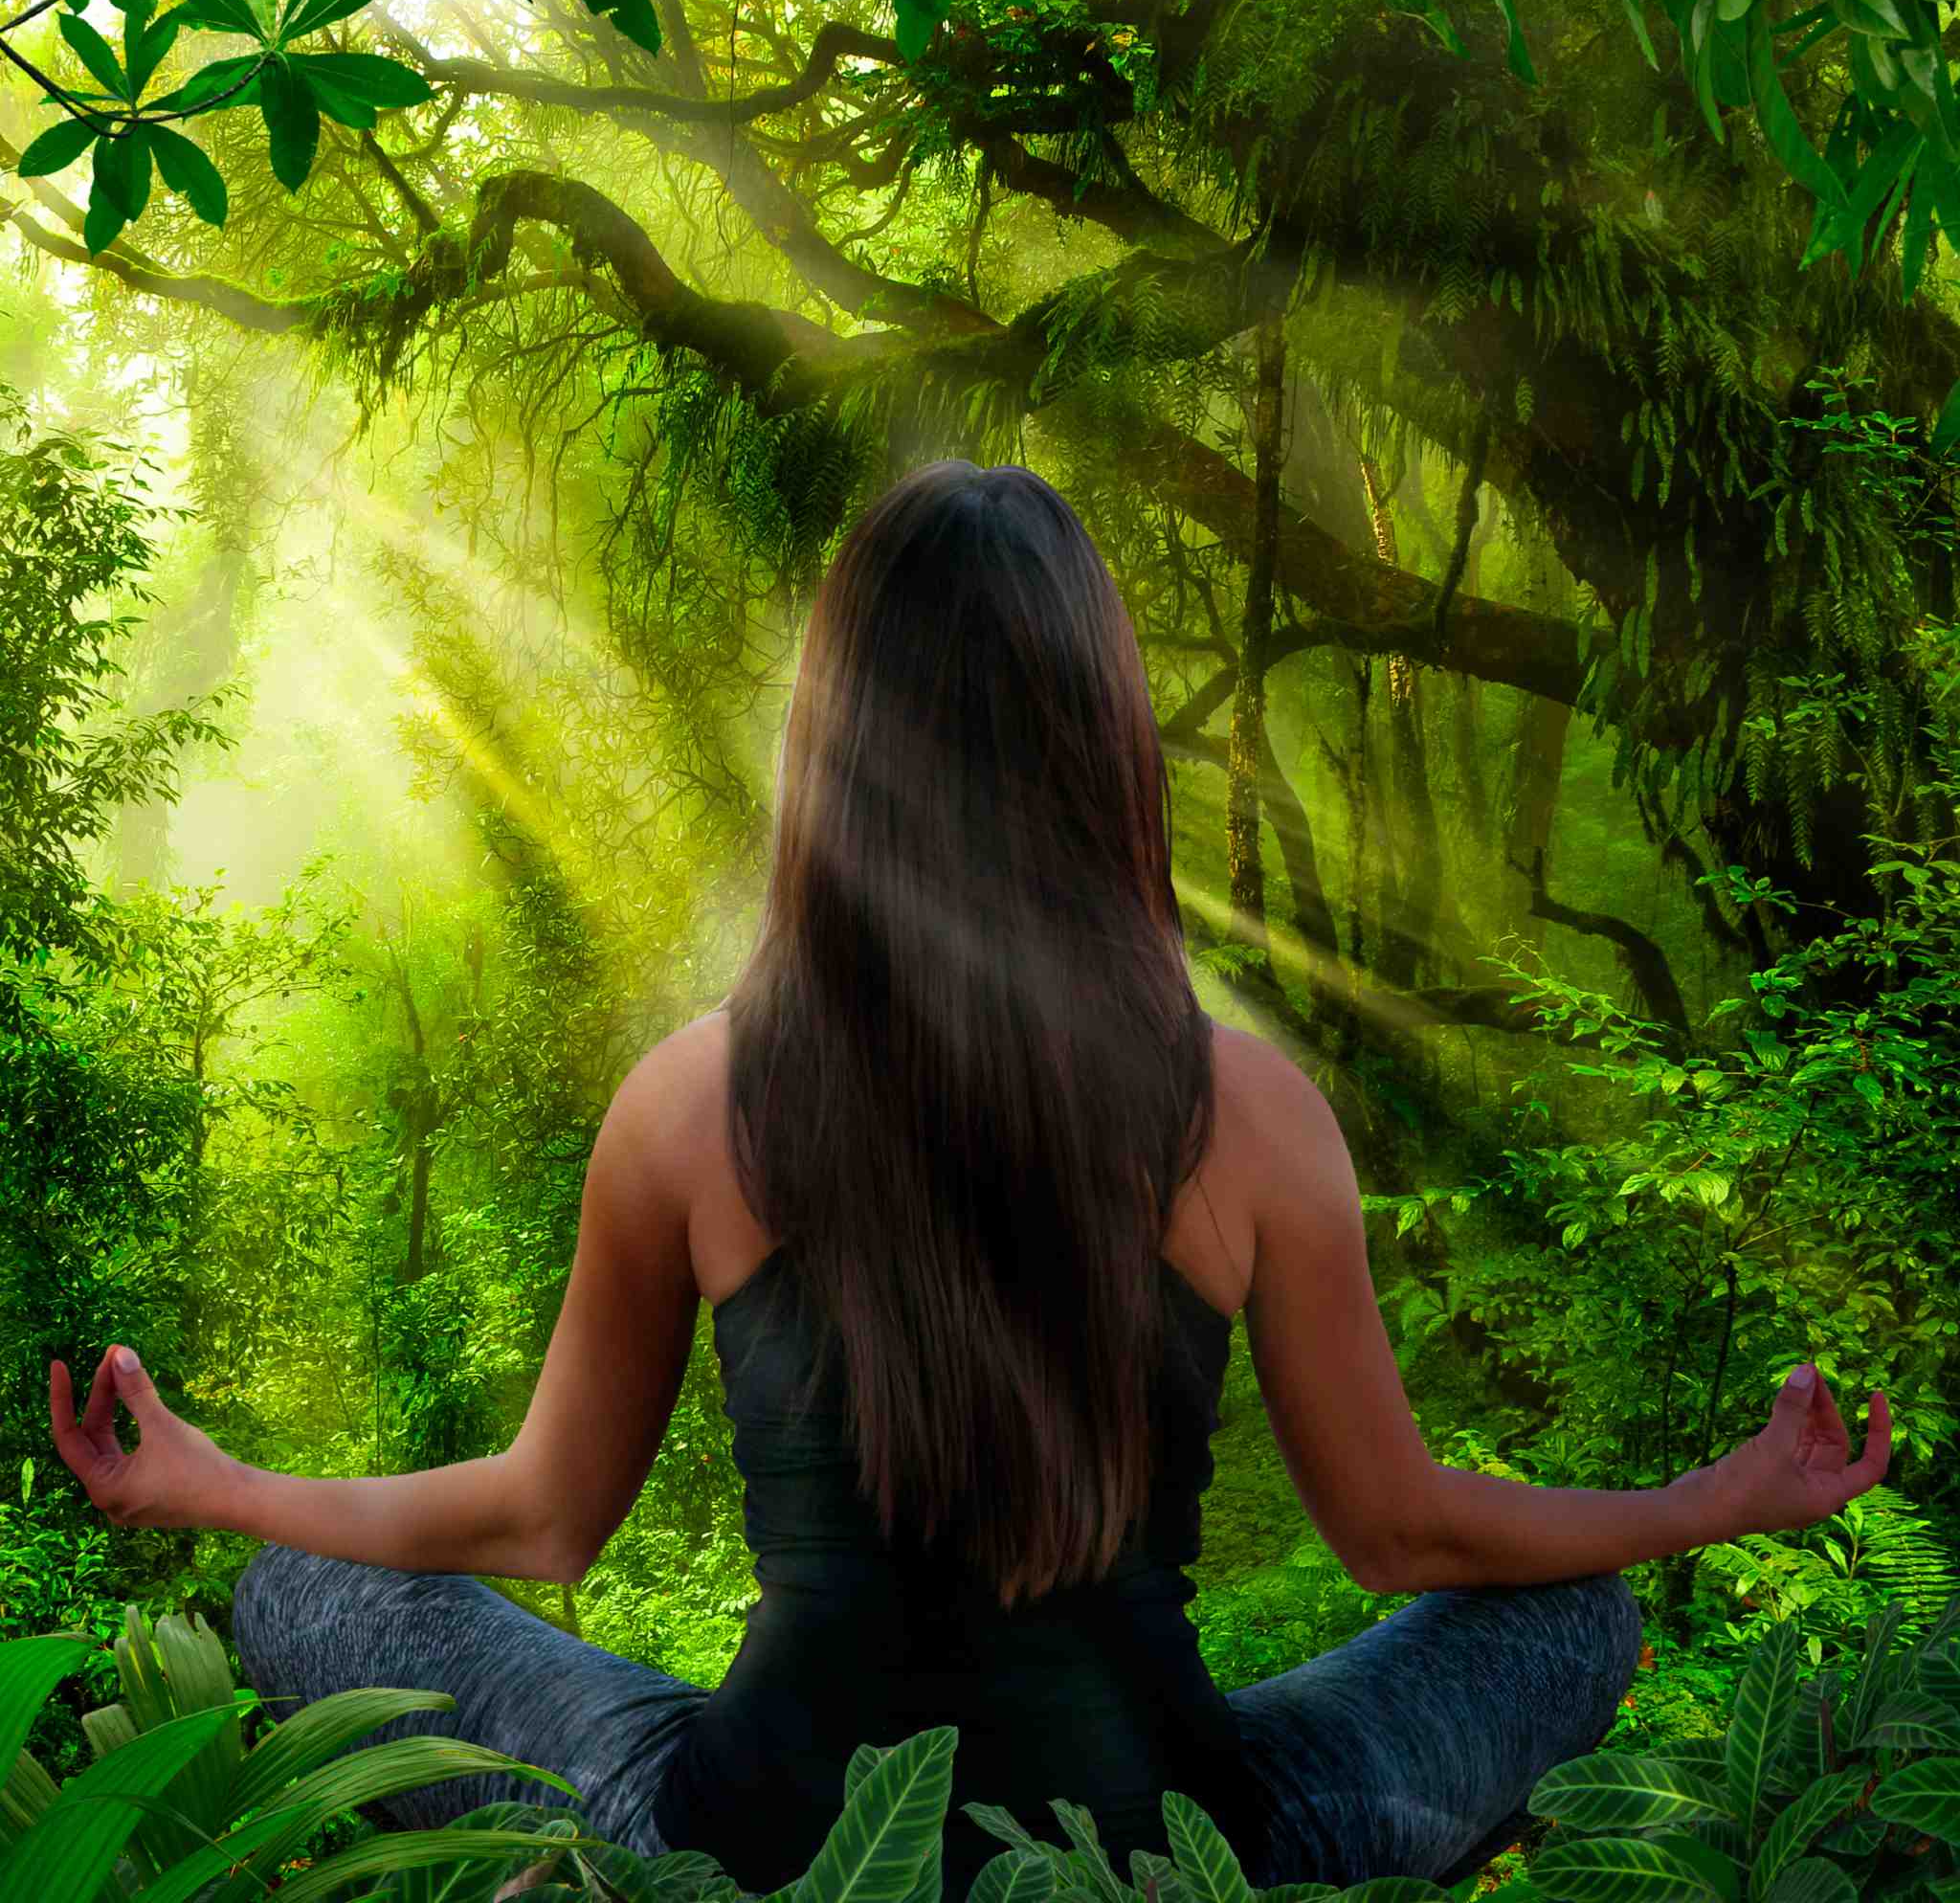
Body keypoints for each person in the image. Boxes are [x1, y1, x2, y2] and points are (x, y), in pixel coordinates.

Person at [50, 461, 1893, 1898]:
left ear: (838, 748)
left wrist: (226, 1485)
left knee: (293, 1597)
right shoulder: (1248, 1118)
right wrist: (1710, 1496)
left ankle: (603, 1884)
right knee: (1579, 1610)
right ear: (1104, 742)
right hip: (1171, 1847)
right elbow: (1404, 1536)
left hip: (753, 1843)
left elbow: (537, 1522)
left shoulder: (692, 1106)